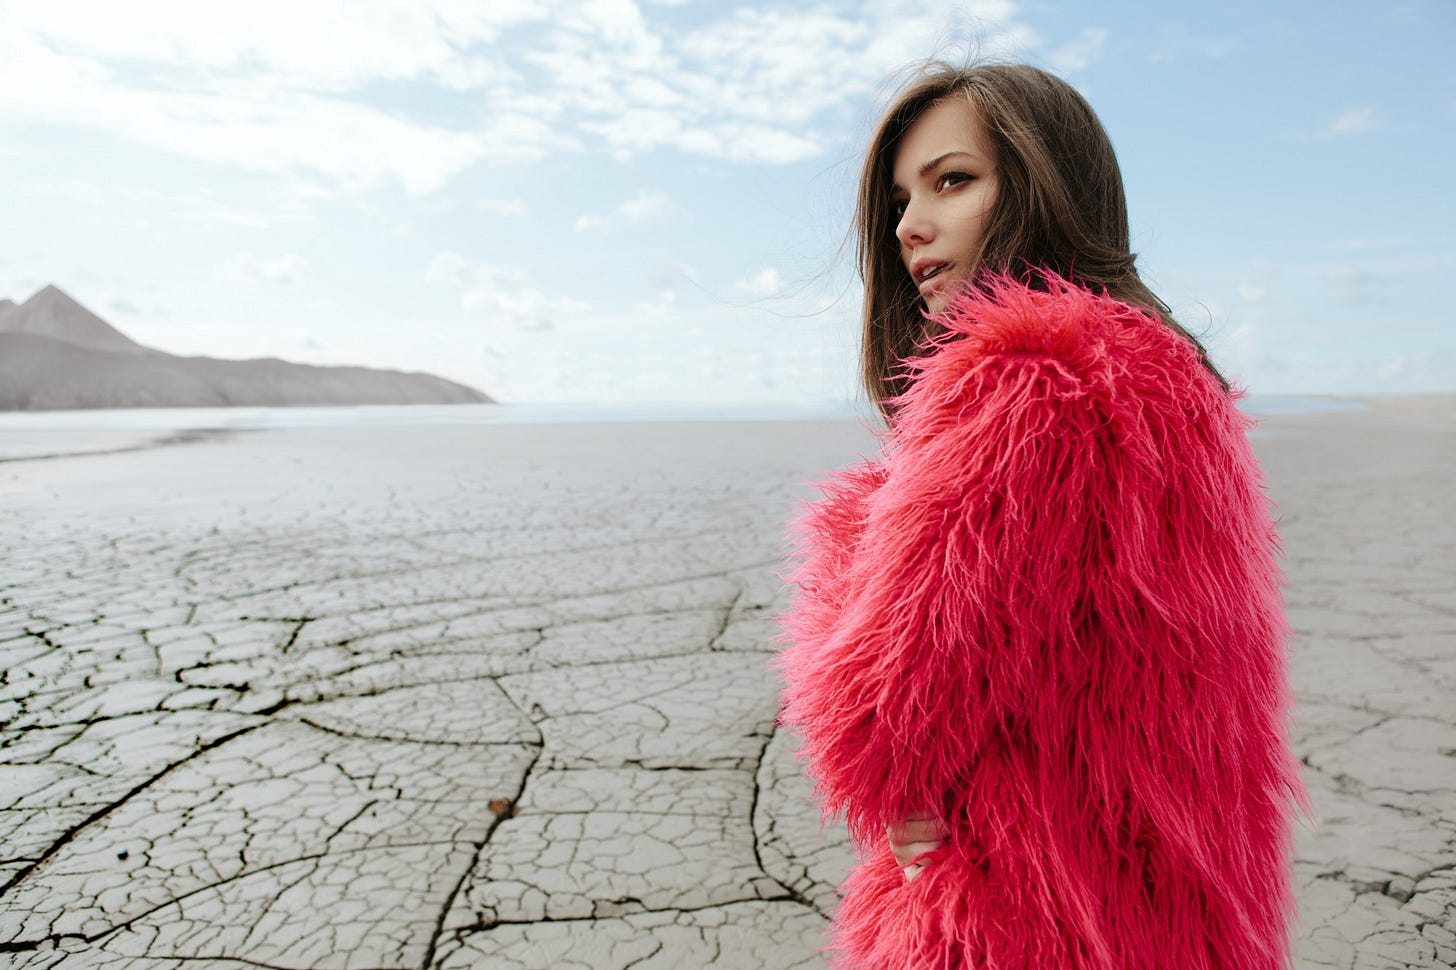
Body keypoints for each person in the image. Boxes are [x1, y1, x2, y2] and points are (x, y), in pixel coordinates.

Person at [777, 61, 1305, 969]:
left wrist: (864, 522)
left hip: (1016, 922)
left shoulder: (1028, 379)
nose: (910, 226)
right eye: (900, 198)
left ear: (1039, 185)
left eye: (953, 180)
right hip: (1177, 919)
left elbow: (870, 722)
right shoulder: (1174, 385)